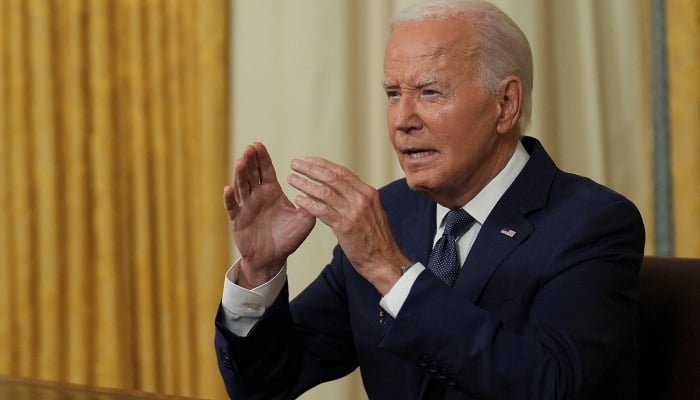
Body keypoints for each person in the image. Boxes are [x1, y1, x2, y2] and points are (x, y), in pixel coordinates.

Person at [214, 0, 645, 399]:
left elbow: (545, 384)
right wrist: (260, 272)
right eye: (393, 94)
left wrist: (390, 270)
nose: (402, 121)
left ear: (506, 103)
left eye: (430, 92)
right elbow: (265, 385)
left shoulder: (593, 224)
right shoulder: (389, 213)